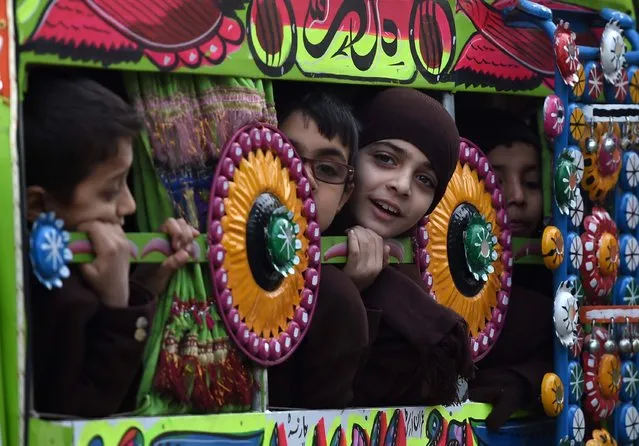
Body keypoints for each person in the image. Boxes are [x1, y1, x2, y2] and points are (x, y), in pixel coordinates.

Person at [24, 74, 199, 417]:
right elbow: (79, 416)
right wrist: (118, 303)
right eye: (110, 190)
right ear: (38, 206)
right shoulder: (57, 297)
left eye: (128, 182)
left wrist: (144, 284)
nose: (130, 206)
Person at [329, 87, 474, 407]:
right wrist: (345, 296)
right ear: (349, 158)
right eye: (385, 159)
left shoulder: (419, 301)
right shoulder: (298, 256)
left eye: (425, 180)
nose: (402, 185)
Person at [268, 91, 371, 408]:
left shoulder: (335, 295)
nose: (304, 179)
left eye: (327, 170)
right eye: (287, 157)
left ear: (344, 197)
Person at [457, 107, 554, 431]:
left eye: (531, 181)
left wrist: (530, 380)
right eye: (495, 181)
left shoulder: (557, 275)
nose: (516, 197)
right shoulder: (444, 279)